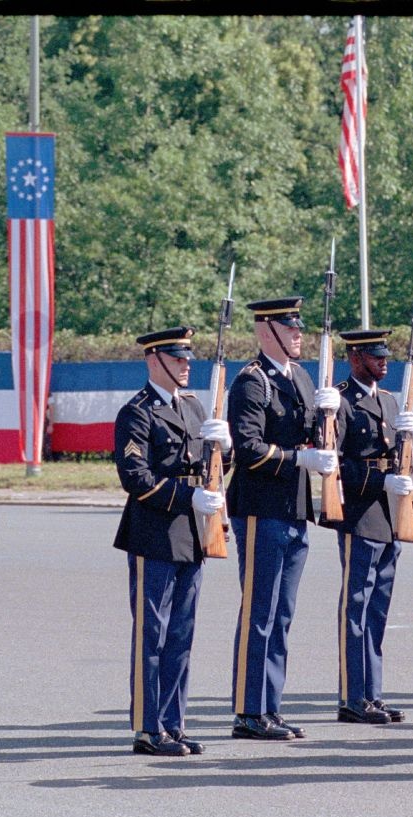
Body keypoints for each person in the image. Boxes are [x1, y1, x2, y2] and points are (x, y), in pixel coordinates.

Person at [112, 325, 233, 756]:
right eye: (178, 358)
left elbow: (211, 464)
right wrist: (188, 496)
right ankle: (148, 728)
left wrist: (226, 445)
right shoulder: (137, 412)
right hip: (154, 533)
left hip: (192, 534)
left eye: (187, 358)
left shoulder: (195, 407)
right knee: (152, 634)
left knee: (181, 633)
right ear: (155, 359)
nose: (187, 364)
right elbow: (136, 478)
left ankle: (173, 723)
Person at [225, 297, 341, 741]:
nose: (299, 334)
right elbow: (250, 448)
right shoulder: (252, 384)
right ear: (266, 331)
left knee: (283, 614)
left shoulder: (302, 378)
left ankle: (269, 706)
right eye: (290, 328)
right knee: (260, 611)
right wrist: (300, 457)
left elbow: (318, 438)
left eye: (299, 328)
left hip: (294, 510)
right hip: (259, 509)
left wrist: (332, 414)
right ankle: (248, 712)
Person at [325, 328, 413, 725]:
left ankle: (373, 693)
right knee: (357, 604)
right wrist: (382, 481)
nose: (384, 361)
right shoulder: (342, 401)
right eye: (374, 355)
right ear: (355, 357)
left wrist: (411, 439)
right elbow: (336, 465)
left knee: (378, 608)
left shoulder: (388, 399)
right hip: (362, 511)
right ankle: (353, 696)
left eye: (385, 354)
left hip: (388, 513)